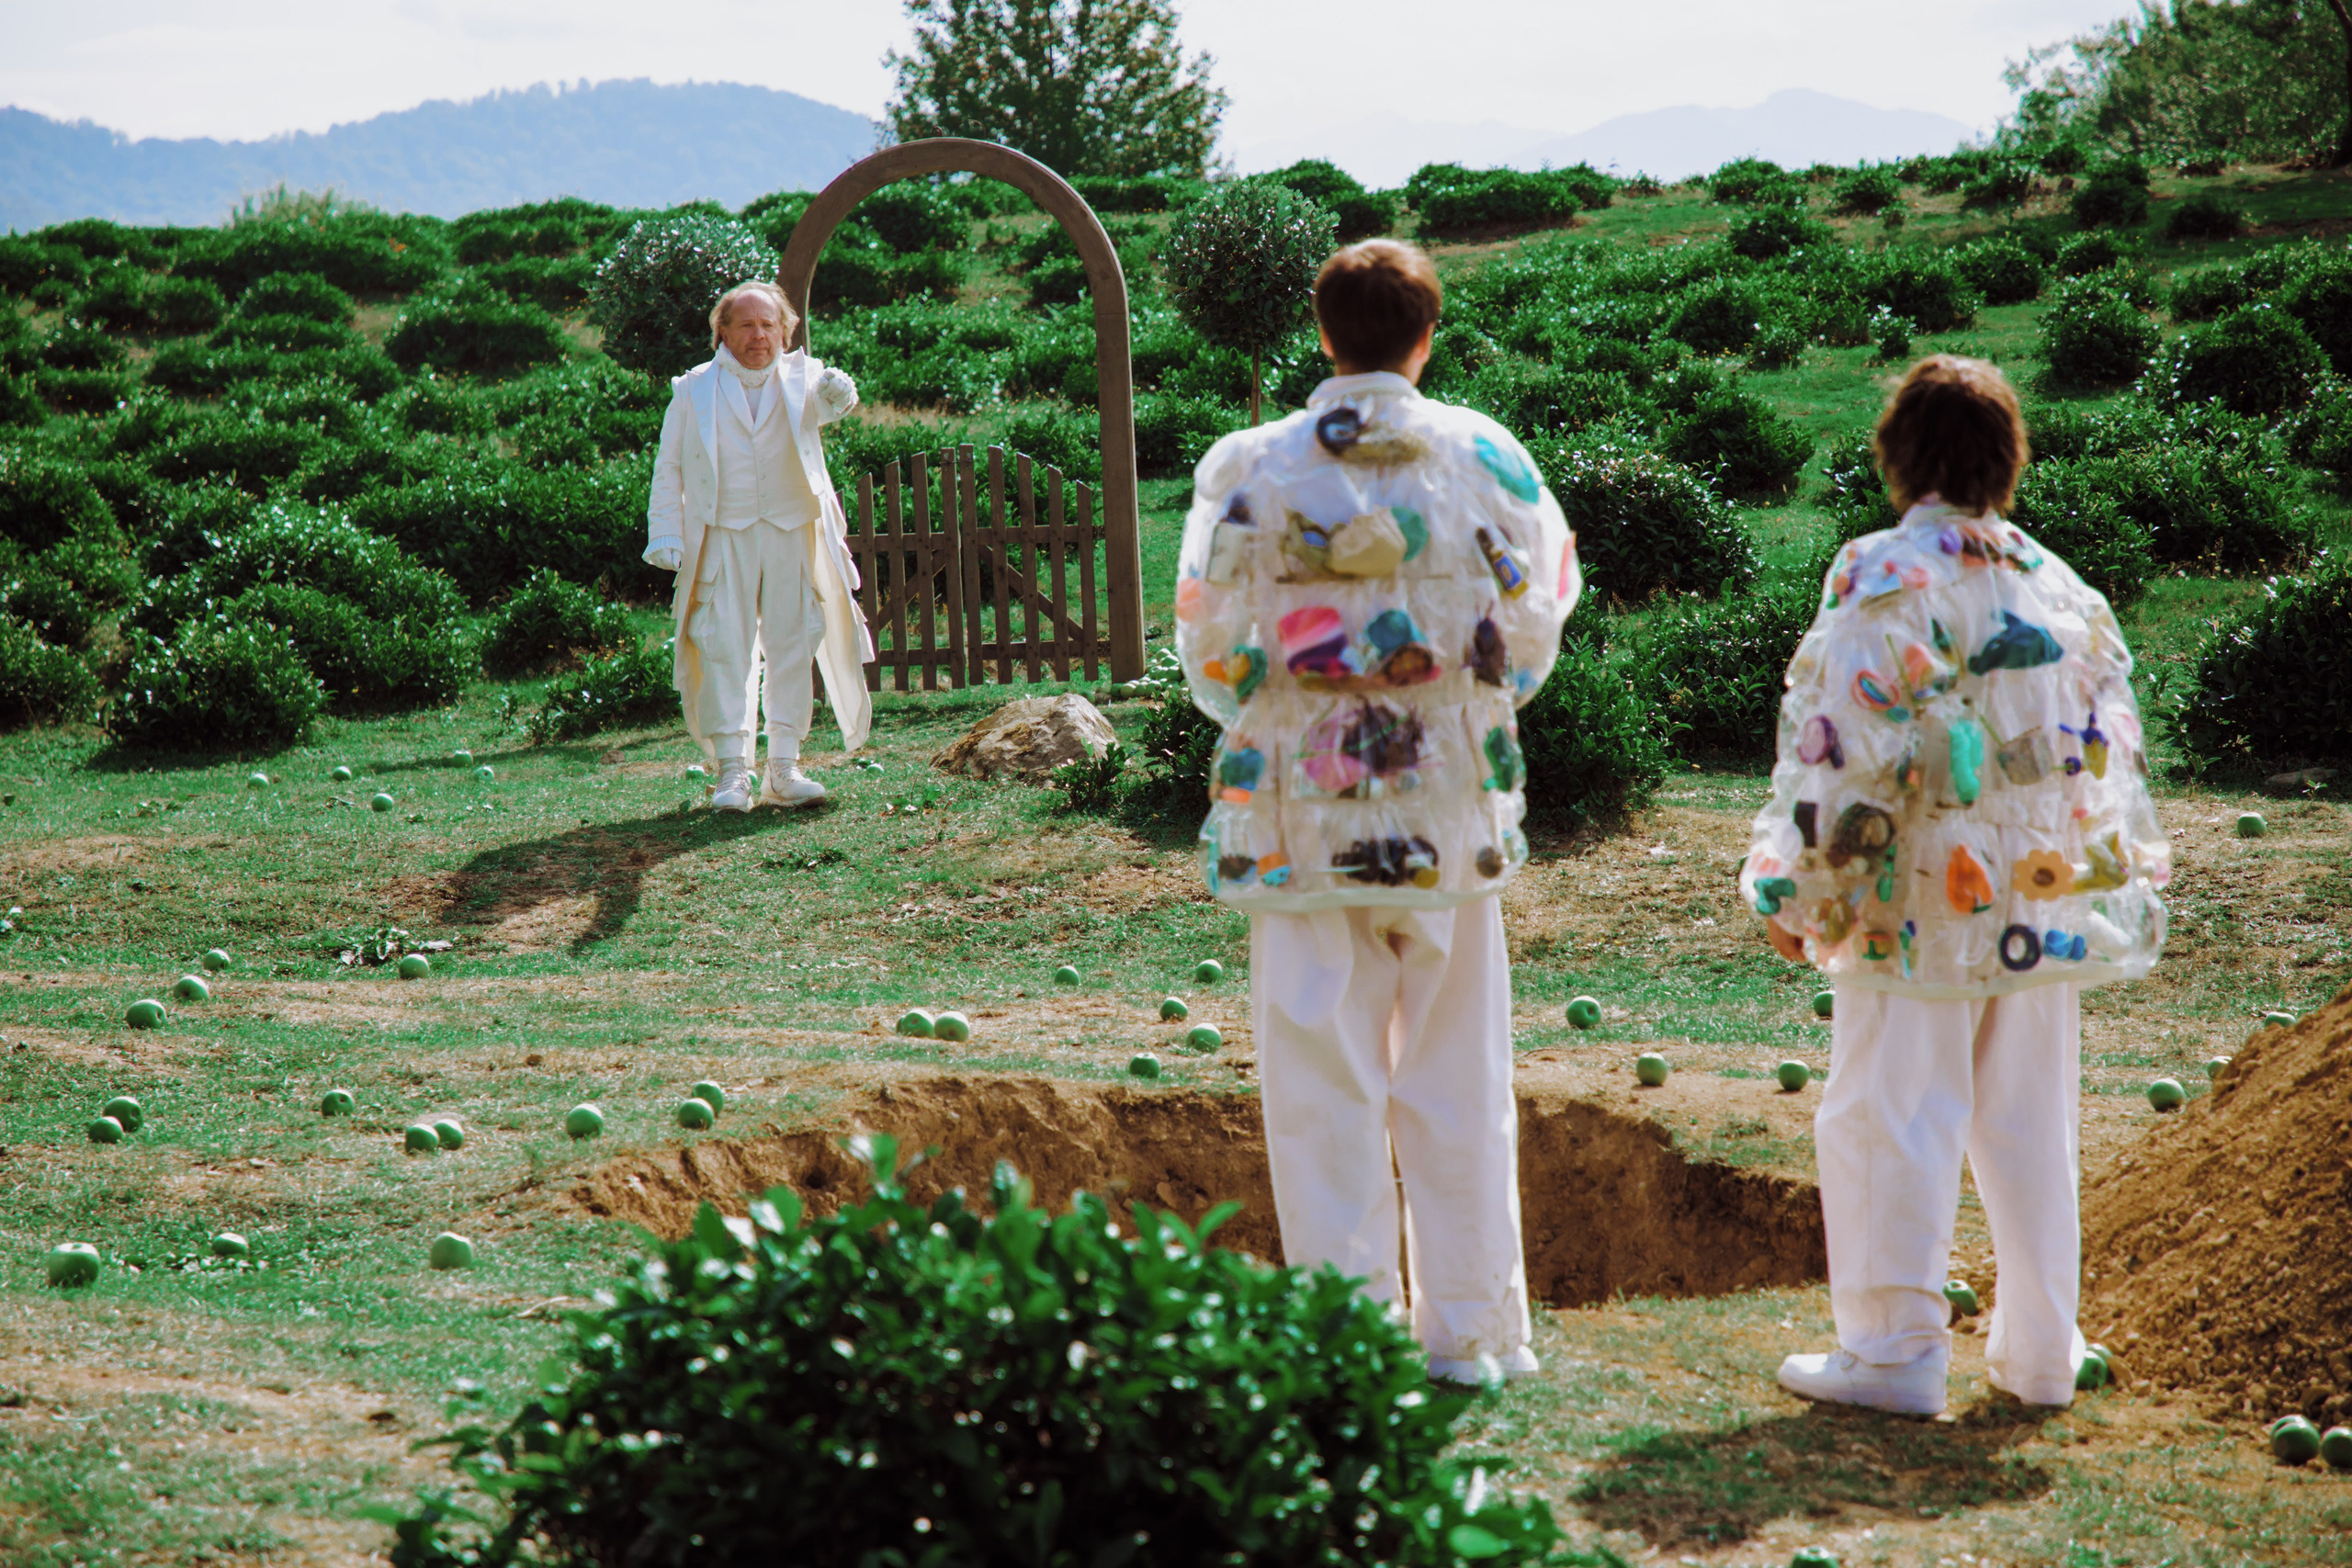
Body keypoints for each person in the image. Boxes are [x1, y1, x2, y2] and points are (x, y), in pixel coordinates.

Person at [1173, 240, 1581, 1383]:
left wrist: (1288, 717)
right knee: (1457, 1075)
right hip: (1448, 812)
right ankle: (1472, 1333)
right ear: (1425, 335)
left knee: (1319, 1085)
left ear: (1321, 332)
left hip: (1297, 820)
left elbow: (1208, 645)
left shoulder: (1247, 466)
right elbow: (1537, 616)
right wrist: (1451, 709)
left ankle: (1345, 1337)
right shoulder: (1486, 455)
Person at [1742, 355, 2168, 1416]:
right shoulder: (2060, 586)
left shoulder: (1881, 573)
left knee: (1892, 1112)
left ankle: (1892, 1354)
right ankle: (2038, 1356)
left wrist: (1795, 894)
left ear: (1898, 455)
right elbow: (2103, 758)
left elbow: (1841, 754)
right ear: (2006, 458)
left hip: (1911, 904)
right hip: (2039, 900)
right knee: (2030, 1123)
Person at [644, 279, 874, 810]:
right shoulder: (693, 388)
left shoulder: (805, 377)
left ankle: (784, 768)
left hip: (791, 528)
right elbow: (670, 465)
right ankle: (732, 773)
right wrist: (666, 530)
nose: (758, 335)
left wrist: (842, 394)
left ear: (785, 330)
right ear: (722, 331)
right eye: (745, 324)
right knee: (725, 645)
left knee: (794, 641)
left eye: (768, 324)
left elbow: (833, 403)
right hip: (723, 533)